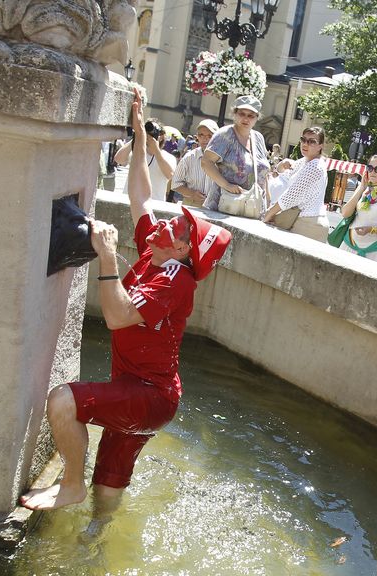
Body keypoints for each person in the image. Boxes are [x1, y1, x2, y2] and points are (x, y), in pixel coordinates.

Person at [20, 90, 232, 524]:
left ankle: (70, 485)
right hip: (144, 390)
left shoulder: (175, 279)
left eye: (181, 226)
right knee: (110, 481)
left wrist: (106, 257)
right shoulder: (159, 248)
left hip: (150, 397)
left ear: (183, 249)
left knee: (62, 401)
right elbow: (139, 192)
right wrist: (139, 135)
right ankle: (96, 543)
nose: (172, 218)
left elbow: (117, 318)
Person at [201, 95, 270, 214]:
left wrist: (268, 204)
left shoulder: (258, 138)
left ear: (257, 118)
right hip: (225, 205)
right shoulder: (225, 135)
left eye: (250, 115)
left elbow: (264, 175)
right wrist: (227, 185)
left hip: (252, 207)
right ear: (234, 114)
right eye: (242, 114)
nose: (246, 119)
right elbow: (206, 162)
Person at [262, 127, 330, 241]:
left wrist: (269, 214)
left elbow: (291, 196)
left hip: (310, 224)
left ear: (321, 146)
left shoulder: (315, 166)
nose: (305, 144)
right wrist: (282, 164)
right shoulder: (305, 161)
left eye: (312, 141)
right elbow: (282, 175)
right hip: (302, 221)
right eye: (303, 139)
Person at [338, 154, 377, 261]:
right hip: (349, 244)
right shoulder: (363, 190)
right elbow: (345, 213)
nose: (372, 172)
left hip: (372, 252)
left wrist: (372, 230)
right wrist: (361, 187)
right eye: (370, 168)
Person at [113, 117, 177, 201]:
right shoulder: (136, 151)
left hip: (154, 203)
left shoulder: (169, 157)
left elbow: (170, 174)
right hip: (131, 201)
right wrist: (136, 137)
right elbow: (118, 159)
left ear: (161, 136)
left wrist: (156, 151)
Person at [171, 119, 220, 208]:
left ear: (217, 137)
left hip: (216, 208)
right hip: (192, 206)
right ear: (197, 136)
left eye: (210, 136)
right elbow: (175, 184)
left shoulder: (223, 159)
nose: (205, 139)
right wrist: (192, 193)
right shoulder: (189, 158)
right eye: (201, 135)